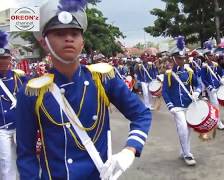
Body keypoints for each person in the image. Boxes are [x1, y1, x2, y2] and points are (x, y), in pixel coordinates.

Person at [15, 1, 152, 179]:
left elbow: (141, 114)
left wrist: (130, 149)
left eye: (74, 33)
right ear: (44, 43)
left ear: (82, 42)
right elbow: (26, 154)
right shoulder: (32, 92)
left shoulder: (103, 79)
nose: (69, 38)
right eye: (60, 33)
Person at [162, 36, 201, 166]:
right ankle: (187, 154)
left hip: (188, 105)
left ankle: (183, 150)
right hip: (177, 107)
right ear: (173, 59)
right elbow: (165, 91)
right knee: (183, 129)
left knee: (188, 130)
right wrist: (170, 106)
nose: (182, 60)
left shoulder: (189, 71)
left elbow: (198, 84)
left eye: (183, 58)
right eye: (179, 58)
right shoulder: (168, 74)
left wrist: (196, 92)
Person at [0, 30, 26, 180]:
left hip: (20, 127)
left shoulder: (20, 78)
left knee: (23, 161)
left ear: (10, 59)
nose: (2, 61)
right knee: (6, 165)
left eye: (5, 58)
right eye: (0, 58)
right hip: (1, 130)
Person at [201, 42, 224, 130]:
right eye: (210, 55)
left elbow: (222, 71)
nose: (212, 56)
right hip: (211, 89)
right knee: (215, 104)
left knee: (216, 104)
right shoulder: (204, 66)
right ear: (206, 56)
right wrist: (210, 88)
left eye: (212, 55)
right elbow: (203, 79)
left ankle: (212, 118)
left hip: (218, 86)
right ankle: (218, 123)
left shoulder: (215, 64)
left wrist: (223, 78)